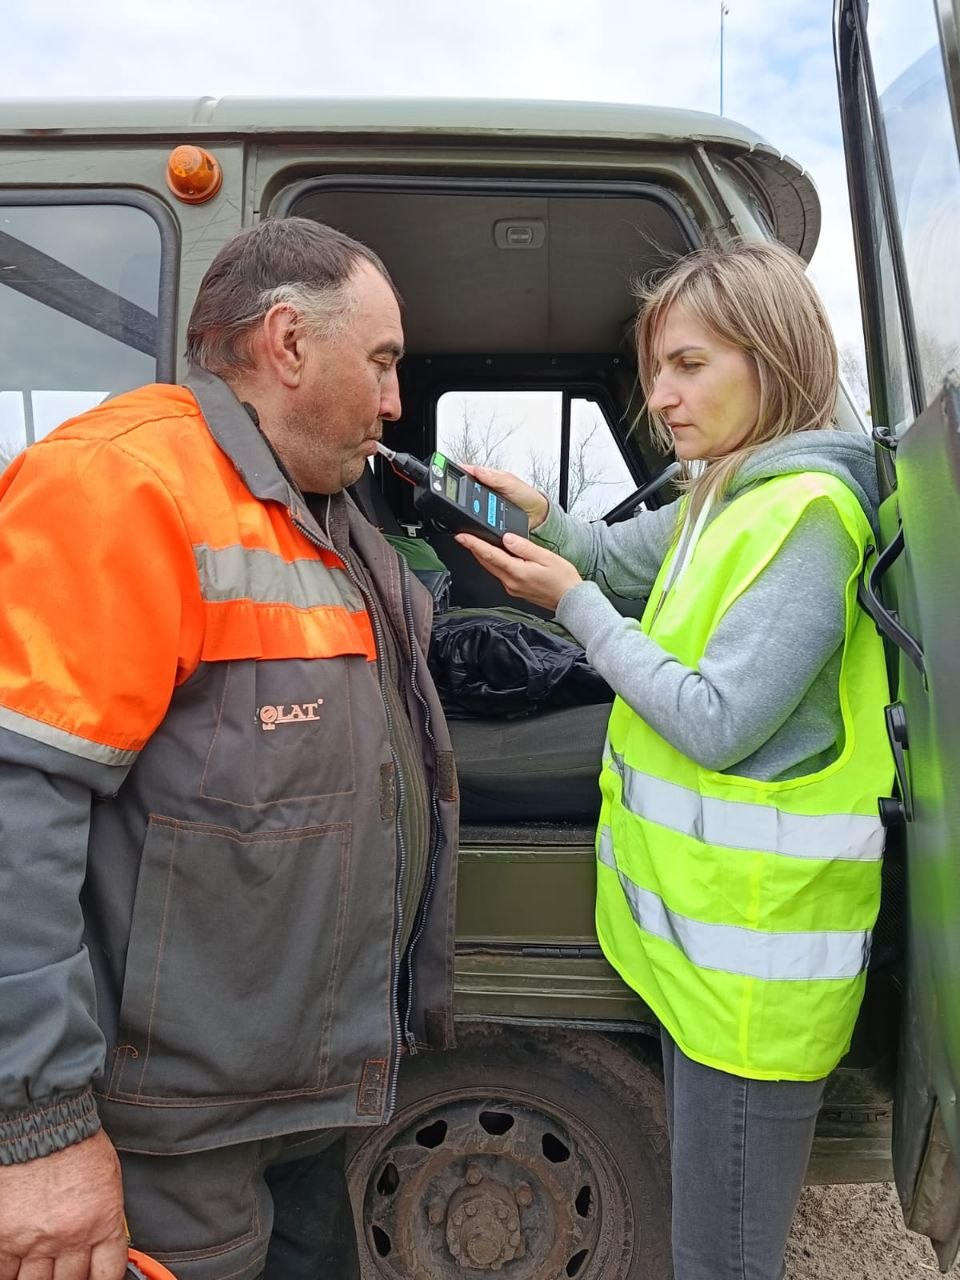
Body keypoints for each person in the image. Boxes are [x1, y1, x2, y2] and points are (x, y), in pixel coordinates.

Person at [0, 217, 458, 1280]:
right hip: (168, 1138)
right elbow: (15, 816)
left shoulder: (319, 509)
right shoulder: (118, 487)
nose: (395, 401)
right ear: (289, 343)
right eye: (382, 361)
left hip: (295, 1108)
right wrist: (36, 1129)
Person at [455, 241, 894, 1280]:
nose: (661, 398)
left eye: (689, 366)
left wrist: (573, 606)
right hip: (705, 962)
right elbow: (608, 555)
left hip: (755, 989)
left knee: (721, 1262)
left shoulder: (809, 517)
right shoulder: (722, 497)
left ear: (773, 360)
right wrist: (532, 516)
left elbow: (715, 720)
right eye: (656, 370)